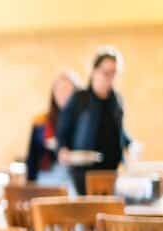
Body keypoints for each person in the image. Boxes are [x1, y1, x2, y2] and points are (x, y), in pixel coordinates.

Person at [57, 47, 132, 196]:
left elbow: (118, 132)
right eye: (106, 73)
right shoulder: (80, 98)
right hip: (84, 173)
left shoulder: (116, 101)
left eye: (114, 74)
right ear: (94, 71)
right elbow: (63, 129)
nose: (110, 78)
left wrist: (130, 144)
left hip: (111, 172)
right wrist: (63, 148)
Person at [26, 71, 81, 185]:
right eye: (60, 90)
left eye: (68, 91)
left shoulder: (82, 122)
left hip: (74, 177)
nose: (64, 95)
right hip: (47, 178)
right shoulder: (40, 121)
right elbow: (32, 159)